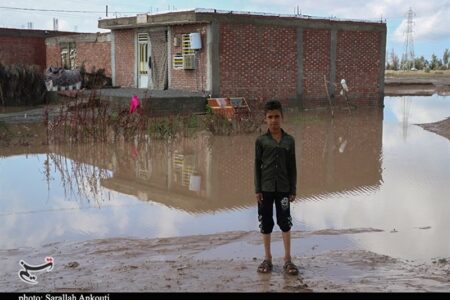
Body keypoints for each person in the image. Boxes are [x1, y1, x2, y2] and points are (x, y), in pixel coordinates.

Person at [254, 100, 298, 275]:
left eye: (276, 116)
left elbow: (292, 167)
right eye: (270, 117)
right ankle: (268, 259)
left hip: (283, 190)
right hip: (265, 189)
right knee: (265, 223)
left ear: (282, 117)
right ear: (265, 119)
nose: (274, 120)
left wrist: (293, 189)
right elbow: (257, 166)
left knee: (285, 222)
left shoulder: (289, 141)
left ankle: (288, 260)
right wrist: (257, 189)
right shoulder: (261, 141)